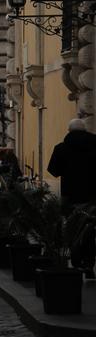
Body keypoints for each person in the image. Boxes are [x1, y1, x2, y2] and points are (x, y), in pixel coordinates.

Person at [48, 117, 96, 278]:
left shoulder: (61, 148)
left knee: (73, 230)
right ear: (84, 129)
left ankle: (76, 262)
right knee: (90, 231)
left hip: (70, 196)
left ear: (69, 131)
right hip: (92, 195)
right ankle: (89, 263)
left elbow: (53, 170)